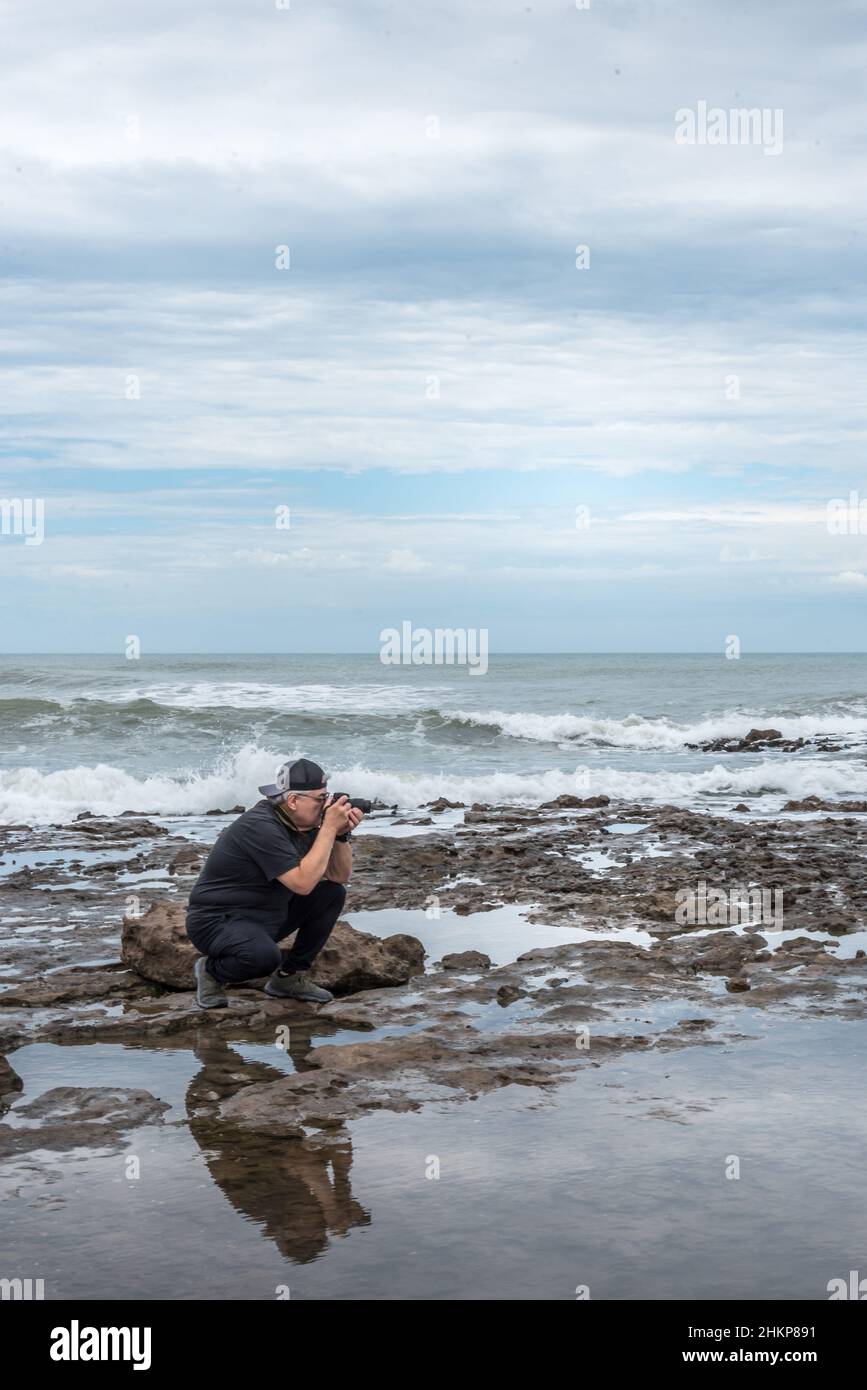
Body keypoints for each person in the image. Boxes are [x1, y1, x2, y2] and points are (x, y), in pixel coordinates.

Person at [185, 757, 364, 1008]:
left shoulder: (303, 823)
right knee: (262, 957)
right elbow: (302, 884)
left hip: (267, 917)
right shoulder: (261, 826)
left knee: (332, 893)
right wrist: (328, 829)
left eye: (327, 796)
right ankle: (212, 971)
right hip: (217, 922)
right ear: (292, 801)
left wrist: (341, 834)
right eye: (320, 798)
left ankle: (288, 978)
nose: (326, 805)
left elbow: (339, 876)